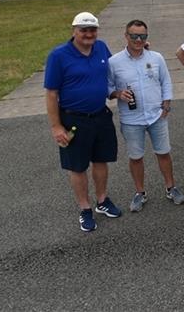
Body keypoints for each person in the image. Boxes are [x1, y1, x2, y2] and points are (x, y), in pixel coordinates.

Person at [45, 12, 122, 232]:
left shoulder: (101, 47)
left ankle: (102, 201)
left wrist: (139, 50)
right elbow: (51, 93)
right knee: (77, 167)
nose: (89, 34)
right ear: (74, 31)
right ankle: (85, 208)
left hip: (100, 115)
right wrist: (56, 126)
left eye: (92, 30)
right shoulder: (59, 56)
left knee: (101, 160)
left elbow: (113, 68)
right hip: (73, 119)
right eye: (83, 30)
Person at [108, 19, 184, 212]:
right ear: (126, 36)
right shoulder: (114, 62)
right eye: (134, 36)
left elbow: (165, 81)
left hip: (156, 115)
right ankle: (140, 192)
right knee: (136, 157)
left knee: (164, 153)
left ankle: (170, 187)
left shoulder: (156, 58)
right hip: (131, 119)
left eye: (142, 36)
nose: (138, 39)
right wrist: (117, 94)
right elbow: (107, 87)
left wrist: (166, 104)